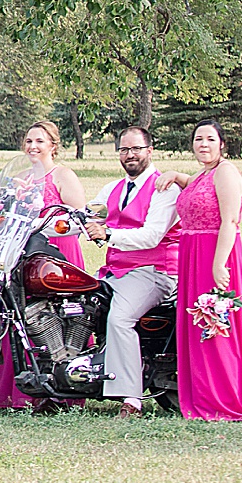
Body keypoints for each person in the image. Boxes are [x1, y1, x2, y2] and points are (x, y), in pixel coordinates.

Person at [167, 121, 242, 422]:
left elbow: (230, 221)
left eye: (209, 139)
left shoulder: (227, 172)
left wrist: (219, 264)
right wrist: (175, 176)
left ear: (222, 144)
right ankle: (205, 393)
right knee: (198, 325)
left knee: (216, 324)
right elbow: (192, 186)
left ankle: (227, 396)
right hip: (191, 255)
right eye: (197, 139)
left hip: (215, 253)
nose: (203, 144)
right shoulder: (203, 174)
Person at [81, 121, 180, 421]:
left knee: (121, 318)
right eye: (124, 149)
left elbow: (151, 235)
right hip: (114, 271)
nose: (130, 155)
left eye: (136, 148)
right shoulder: (112, 188)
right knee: (72, 305)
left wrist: (108, 235)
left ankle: (132, 398)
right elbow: (85, 216)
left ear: (150, 150)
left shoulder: (165, 187)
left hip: (154, 271)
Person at [0, 118, 88, 412]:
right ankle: (21, 390)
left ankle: (63, 385)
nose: (33, 147)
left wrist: (45, 225)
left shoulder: (63, 175)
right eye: (29, 141)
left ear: (53, 146)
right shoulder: (19, 178)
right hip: (22, 252)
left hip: (57, 252)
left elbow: (78, 218)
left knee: (58, 316)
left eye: (40, 141)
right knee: (20, 314)